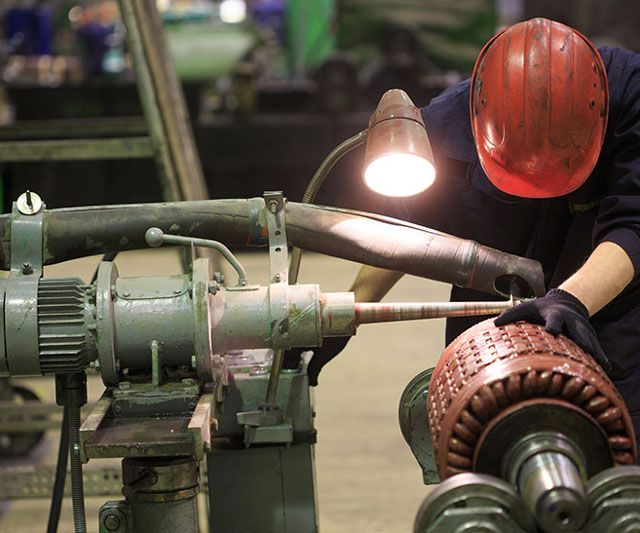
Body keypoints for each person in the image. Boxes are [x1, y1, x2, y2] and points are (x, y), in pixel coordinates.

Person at [291, 18, 640, 454]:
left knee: (613, 440)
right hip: (492, 317)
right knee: (483, 434)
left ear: (597, 109)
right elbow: (407, 234)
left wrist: (572, 300)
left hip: (606, 304)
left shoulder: (631, 94)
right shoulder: (445, 125)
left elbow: (633, 223)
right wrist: (349, 314)